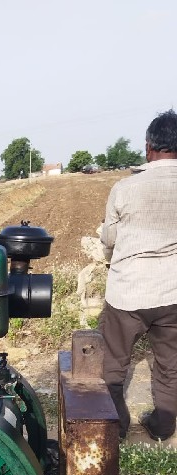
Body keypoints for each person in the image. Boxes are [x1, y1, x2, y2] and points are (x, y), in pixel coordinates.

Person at [99, 109, 177, 442]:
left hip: (128, 293)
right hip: (173, 293)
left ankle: (116, 426)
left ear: (149, 147)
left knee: (114, 363)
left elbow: (110, 239)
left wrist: (110, 259)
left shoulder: (125, 188)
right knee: (169, 364)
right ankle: (163, 425)